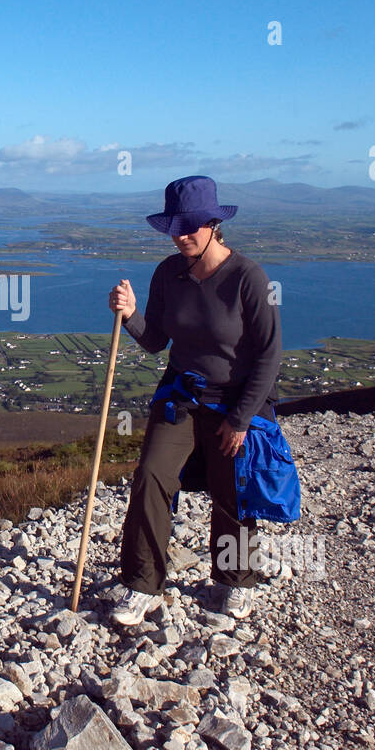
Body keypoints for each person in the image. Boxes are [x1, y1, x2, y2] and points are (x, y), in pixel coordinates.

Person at [108, 175, 282, 625]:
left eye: (190, 226)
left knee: (232, 493)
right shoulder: (169, 272)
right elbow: (157, 341)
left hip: (234, 402)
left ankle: (235, 582)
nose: (181, 234)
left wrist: (241, 419)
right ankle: (142, 584)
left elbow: (268, 355)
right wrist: (130, 316)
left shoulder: (248, 278)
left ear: (213, 224)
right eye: (174, 226)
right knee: (150, 476)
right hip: (181, 396)